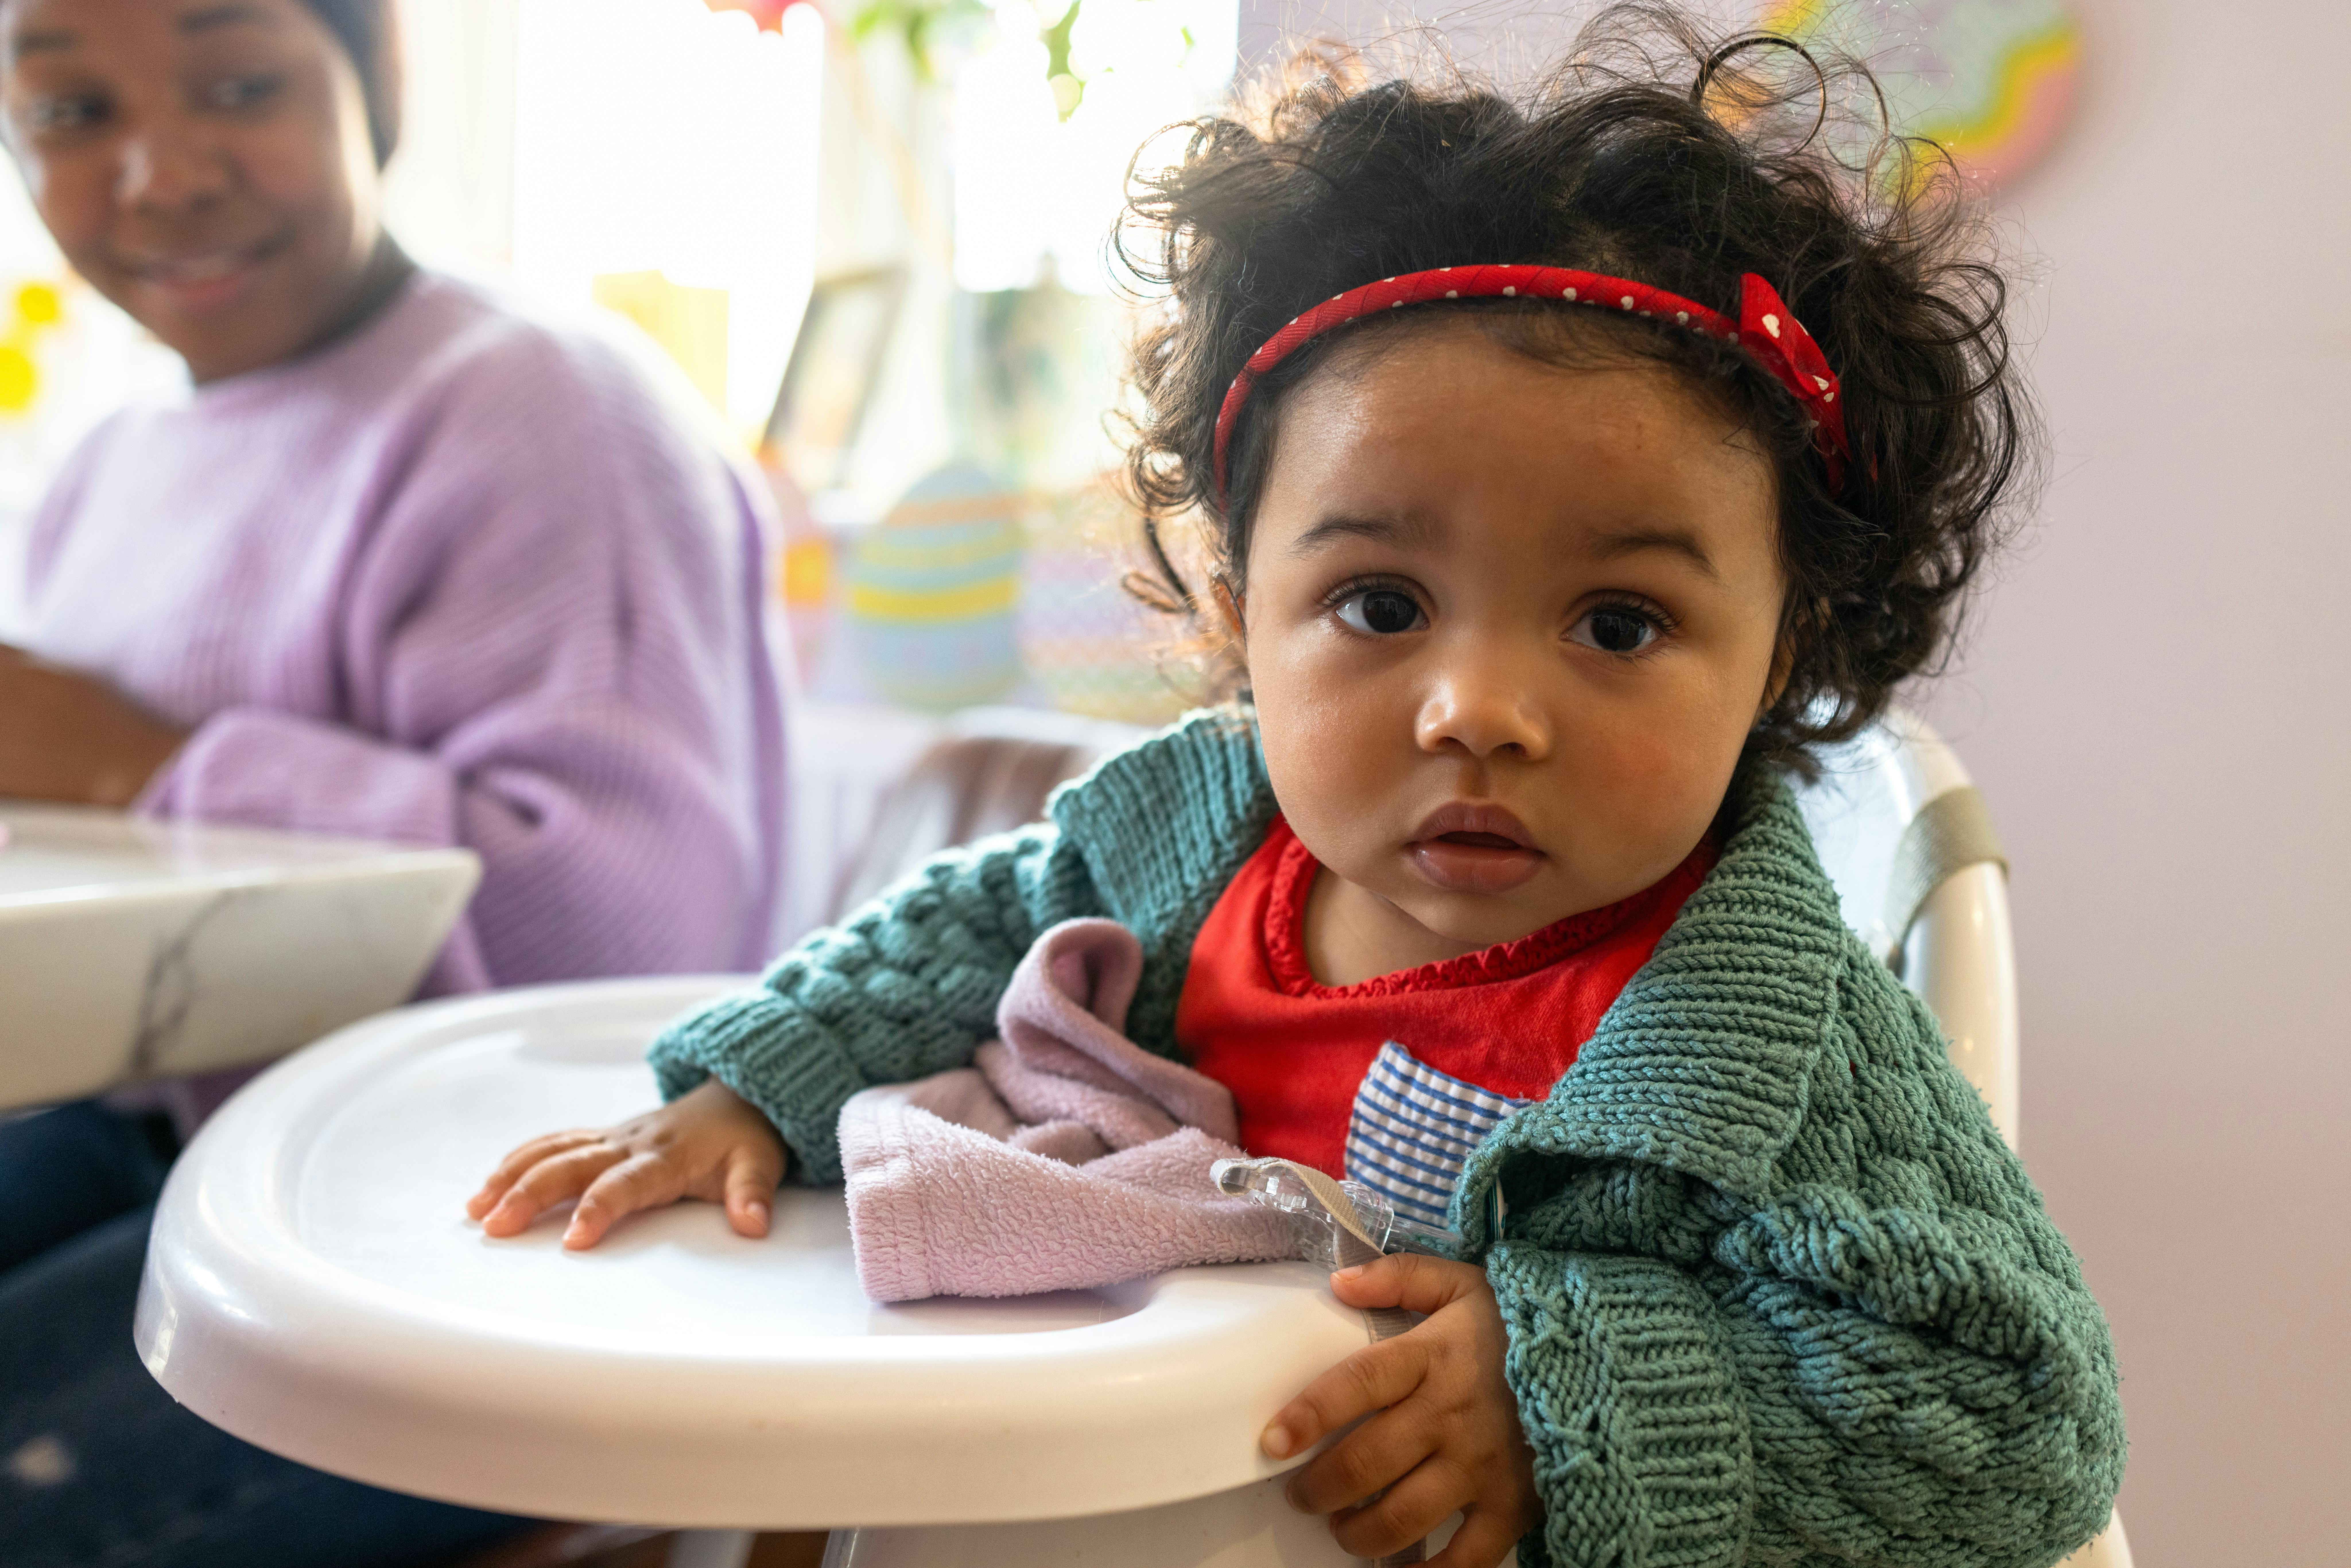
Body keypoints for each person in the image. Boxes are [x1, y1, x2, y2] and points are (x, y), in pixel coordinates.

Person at [471, 10, 2125, 1567]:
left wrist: (1561, 1398)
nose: (1479, 708)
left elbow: (2027, 1417)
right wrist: (755, 1092)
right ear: (1233, 608)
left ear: (1782, 654)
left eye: (1619, 622)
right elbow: (955, 933)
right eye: (1381, 606)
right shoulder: (1182, 850)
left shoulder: (1773, 1039)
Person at [0, 0, 786, 1563]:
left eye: (237, 84)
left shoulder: (545, 405)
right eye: (73, 114)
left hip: (488, 1215)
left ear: (372, 81)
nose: (159, 174)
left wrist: (132, 758)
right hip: (177, 1123)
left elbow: (620, 951)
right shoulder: (106, 464)